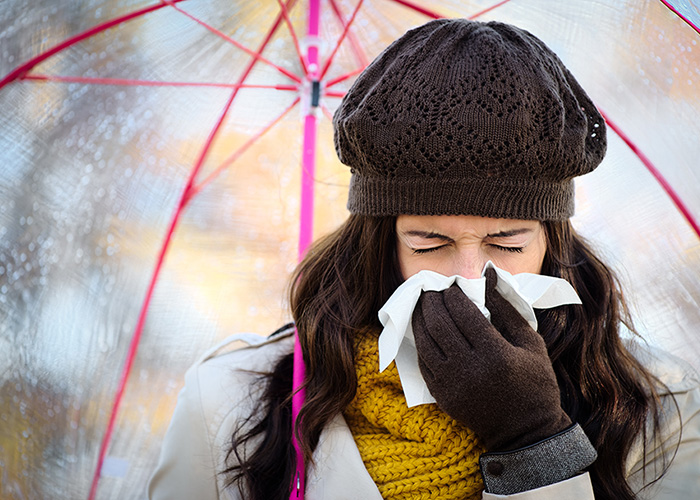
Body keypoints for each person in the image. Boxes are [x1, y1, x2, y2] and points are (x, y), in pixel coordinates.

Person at [147, 18, 700, 500]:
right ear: (378, 244)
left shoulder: (661, 412)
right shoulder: (229, 401)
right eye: (428, 244)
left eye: (506, 244)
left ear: (552, 244)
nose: (467, 278)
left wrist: (534, 442)